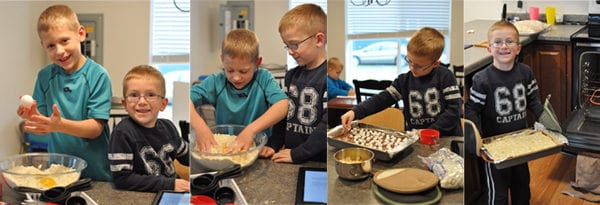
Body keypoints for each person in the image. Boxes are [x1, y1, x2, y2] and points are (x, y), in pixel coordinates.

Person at [16, 5, 112, 181]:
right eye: (51, 45)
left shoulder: (98, 75)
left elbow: (95, 129)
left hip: (96, 175)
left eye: (64, 41)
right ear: (43, 46)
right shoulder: (45, 77)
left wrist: (58, 125)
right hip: (60, 173)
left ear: (80, 34)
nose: (59, 51)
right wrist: (34, 118)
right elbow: (45, 128)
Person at [465, 20, 544, 205]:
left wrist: (549, 122)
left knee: (522, 187)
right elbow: (472, 110)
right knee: (498, 194)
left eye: (510, 41)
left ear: (518, 48)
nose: (504, 46)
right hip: (495, 149)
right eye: (497, 42)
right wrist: (478, 140)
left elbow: (534, 101)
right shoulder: (481, 80)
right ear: (488, 49)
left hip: (521, 145)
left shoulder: (526, 73)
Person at [340, 27, 462, 137]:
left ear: (435, 64)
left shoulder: (446, 76)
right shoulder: (404, 80)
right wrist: (355, 111)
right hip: (417, 139)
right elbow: (381, 99)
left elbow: (454, 110)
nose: (412, 68)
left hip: (446, 138)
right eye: (409, 61)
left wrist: (429, 131)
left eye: (419, 66)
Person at [191, 29, 288, 153]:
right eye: (230, 70)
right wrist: (200, 128)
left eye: (243, 71)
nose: (236, 77)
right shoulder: (216, 82)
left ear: (257, 63)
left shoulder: (264, 78)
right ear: (222, 59)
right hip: (225, 149)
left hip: (258, 147)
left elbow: (282, 105)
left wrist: (250, 131)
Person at [259, 3, 328, 163]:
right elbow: (284, 115)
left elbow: (326, 125)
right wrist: (274, 144)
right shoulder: (291, 75)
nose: (290, 51)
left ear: (318, 40)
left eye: (295, 44)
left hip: (316, 160)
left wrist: (299, 153)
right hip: (292, 156)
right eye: (287, 46)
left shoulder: (326, 77)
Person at [107, 65, 189, 192]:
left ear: (163, 104)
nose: (142, 101)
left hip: (171, 192)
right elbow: (122, 179)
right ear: (125, 104)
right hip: (142, 196)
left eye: (150, 95)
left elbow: (187, 156)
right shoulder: (122, 133)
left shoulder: (169, 127)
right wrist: (169, 185)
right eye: (134, 95)